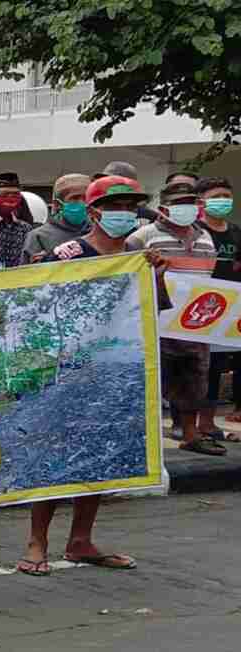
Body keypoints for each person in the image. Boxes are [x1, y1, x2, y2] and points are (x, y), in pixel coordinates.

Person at [19, 175, 165, 577]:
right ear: (95, 210)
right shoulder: (69, 253)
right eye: (115, 206)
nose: (123, 214)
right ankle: (37, 542)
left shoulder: (139, 254)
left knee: (100, 454)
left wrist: (159, 274)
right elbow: (33, 299)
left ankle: (81, 540)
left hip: (115, 370)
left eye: (129, 206)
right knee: (52, 456)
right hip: (66, 369)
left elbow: (155, 309)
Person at [123, 180, 220, 455]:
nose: (186, 208)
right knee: (154, 383)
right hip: (158, 322)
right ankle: (144, 444)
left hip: (195, 322)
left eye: (190, 202)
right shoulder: (141, 236)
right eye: (179, 204)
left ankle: (191, 435)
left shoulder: (204, 237)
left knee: (195, 381)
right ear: (163, 208)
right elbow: (129, 277)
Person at [195, 178, 241, 432]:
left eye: (227, 195)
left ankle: (209, 423)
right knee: (202, 367)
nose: (223, 200)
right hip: (199, 307)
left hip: (231, 308)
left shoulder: (236, 232)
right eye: (217, 196)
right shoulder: (194, 231)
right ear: (201, 201)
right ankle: (195, 422)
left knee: (221, 363)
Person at [21, 174, 91, 264]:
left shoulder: (98, 232)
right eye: (75, 198)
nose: (83, 203)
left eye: (86, 198)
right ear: (58, 204)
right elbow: (27, 274)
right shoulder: (39, 237)